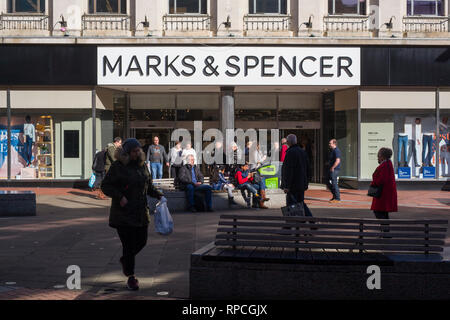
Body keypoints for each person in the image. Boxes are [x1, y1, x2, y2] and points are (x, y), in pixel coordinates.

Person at [101, 138, 163, 291]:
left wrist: (159, 195)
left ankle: (125, 260)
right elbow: (105, 186)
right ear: (127, 153)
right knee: (128, 246)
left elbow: (148, 186)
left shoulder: (142, 166)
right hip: (123, 214)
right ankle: (131, 277)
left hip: (141, 212)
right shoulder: (118, 167)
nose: (138, 153)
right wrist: (120, 196)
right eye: (134, 151)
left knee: (142, 241)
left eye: (139, 150)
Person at [281, 134, 312, 217]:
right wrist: (306, 182)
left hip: (293, 185)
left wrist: (286, 186)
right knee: (300, 203)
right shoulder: (302, 152)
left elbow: (289, 171)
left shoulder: (290, 152)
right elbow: (308, 168)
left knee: (291, 204)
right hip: (301, 184)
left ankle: (290, 223)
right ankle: (305, 222)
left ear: (288, 142)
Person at [370, 148, 398, 223]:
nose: (378, 158)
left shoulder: (385, 165)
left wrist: (374, 182)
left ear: (382, 156)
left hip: (382, 194)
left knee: (378, 212)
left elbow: (381, 179)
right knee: (383, 213)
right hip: (384, 193)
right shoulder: (387, 164)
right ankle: (385, 232)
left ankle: (385, 232)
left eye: (378, 155)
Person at [328, 139, 341, 203]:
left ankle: (337, 198)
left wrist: (333, 167)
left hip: (335, 169)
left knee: (334, 183)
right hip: (332, 169)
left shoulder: (336, 151)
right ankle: (335, 196)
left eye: (330, 143)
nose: (329, 144)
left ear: (334, 144)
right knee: (328, 183)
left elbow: (338, 160)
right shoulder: (332, 151)